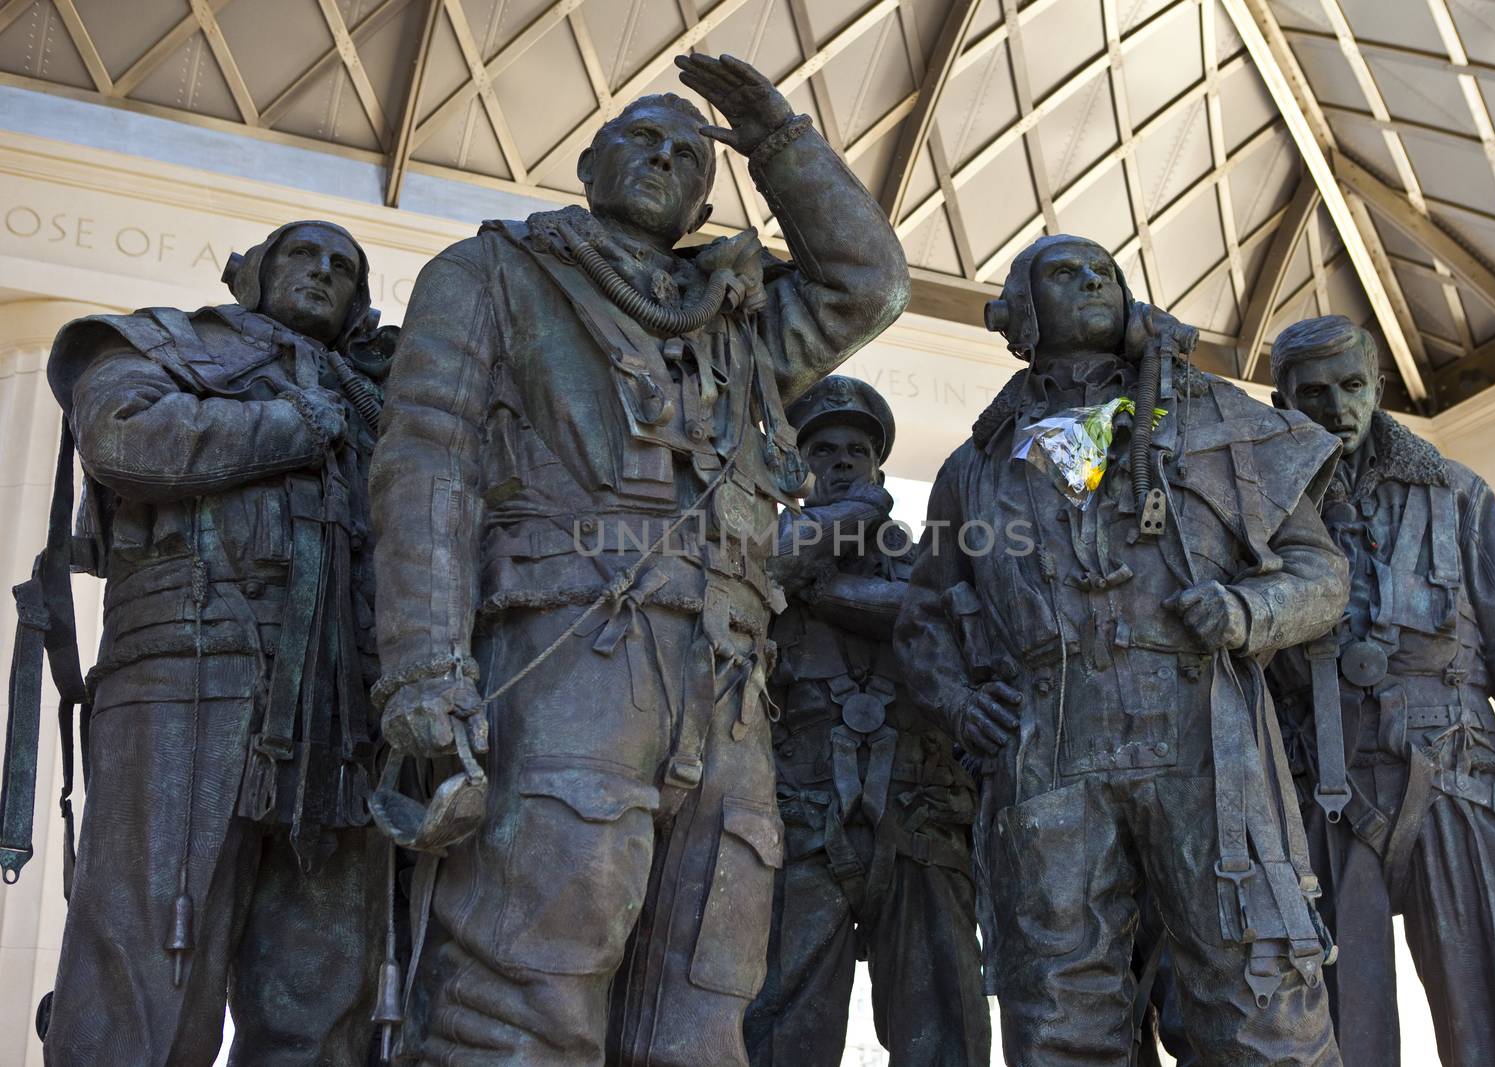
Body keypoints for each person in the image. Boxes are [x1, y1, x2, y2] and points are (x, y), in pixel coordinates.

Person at [367, 53, 908, 1066]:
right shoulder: (492, 273)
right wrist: (424, 663)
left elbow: (868, 284)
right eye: (639, 141)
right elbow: (426, 463)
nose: (664, 159)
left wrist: (780, 141)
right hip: (566, 653)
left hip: (729, 684)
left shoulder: (739, 322)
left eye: (684, 155)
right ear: (584, 161)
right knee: (523, 990)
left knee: (702, 1014)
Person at [894, 232, 1348, 1065]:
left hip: (1202, 734)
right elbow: (923, 616)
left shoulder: (1215, 416)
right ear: (1020, 315)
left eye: (1104, 271)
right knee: (1060, 1006)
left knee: (1257, 995)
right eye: (1064, 274)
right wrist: (962, 702)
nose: (1091, 283)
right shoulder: (975, 466)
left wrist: (1249, 609)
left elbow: (1322, 571)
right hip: (1049, 747)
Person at [36, 220, 391, 1065]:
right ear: (250, 274)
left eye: (344, 267)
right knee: (146, 972)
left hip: (342, 718)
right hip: (184, 681)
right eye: (303, 254)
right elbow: (123, 434)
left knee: (325, 996)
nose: (323, 272)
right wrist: (297, 425)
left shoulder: (384, 397)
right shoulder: (160, 342)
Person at [1267, 314, 1495, 1066]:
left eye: (1353, 386)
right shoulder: (1252, 515)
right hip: (1318, 796)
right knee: (1338, 1042)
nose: (1337, 407)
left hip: (1456, 780)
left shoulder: (1455, 494)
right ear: (1282, 401)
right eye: (1314, 392)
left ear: (1379, 386)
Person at [745, 375, 989, 1066]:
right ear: (797, 467)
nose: (843, 461)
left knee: (944, 1020)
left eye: (857, 449)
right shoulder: (768, 545)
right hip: (801, 821)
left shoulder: (925, 556)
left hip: (919, 818)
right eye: (822, 450)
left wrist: (824, 592)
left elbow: (934, 609)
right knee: (780, 1024)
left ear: (881, 468)